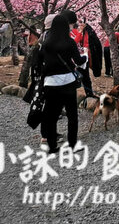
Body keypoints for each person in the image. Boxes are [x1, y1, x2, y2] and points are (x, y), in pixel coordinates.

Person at [39, 14, 86, 153]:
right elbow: (78, 60)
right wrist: (85, 57)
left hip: (51, 83)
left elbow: (40, 61)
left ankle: (52, 146)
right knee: (72, 115)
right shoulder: (70, 42)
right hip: (68, 83)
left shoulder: (46, 43)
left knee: (52, 116)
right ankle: (72, 144)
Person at [64, 12, 98, 99]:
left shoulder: (79, 31)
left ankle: (89, 93)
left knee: (86, 76)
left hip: (81, 56)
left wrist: (86, 49)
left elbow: (85, 42)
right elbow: (74, 43)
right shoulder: (67, 33)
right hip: (72, 58)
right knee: (72, 78)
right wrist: (80, 32)